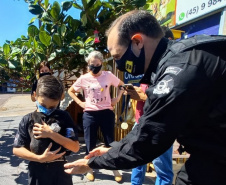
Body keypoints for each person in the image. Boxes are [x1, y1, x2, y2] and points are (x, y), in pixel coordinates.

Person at [64, 10, 226, 185]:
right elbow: (144, 129)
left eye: (118, 56)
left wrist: (92, 163)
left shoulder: (178, 71)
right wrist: (112, 149)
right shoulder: (177, 57)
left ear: (137, 41)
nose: (118, 64)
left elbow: (148, 140)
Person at [67, 51, 124, 182]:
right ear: (88, 65)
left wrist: (117, 98)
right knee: (89, 143)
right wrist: (80, 102)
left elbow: (121, 85)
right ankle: (89, 169)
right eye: (92, 65)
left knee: (110, 142)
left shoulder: (108, 75)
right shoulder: (84, 78)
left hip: (106, 113)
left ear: (102, 64)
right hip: (90, 114)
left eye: (98, 64)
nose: (95, 67)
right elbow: (71, 91)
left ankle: (114, 168)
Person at [13, 75, 79, 185]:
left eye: (52, 106)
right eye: (43, 105)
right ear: (35, 95)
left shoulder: (64, 117)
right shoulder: (28, 119)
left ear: (60, 98)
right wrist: (39, 158)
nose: (47, 110)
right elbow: (17, 149)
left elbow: (75, 147)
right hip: (37, 171)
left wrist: (51, 134)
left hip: (60, 171)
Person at [130, 26, 175, 185]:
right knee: (136, 160)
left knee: (162, 168)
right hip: (140, 120)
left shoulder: (172, 67)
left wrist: (143, 96)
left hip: (159, 125)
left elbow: (166, 97)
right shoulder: (148, 65)